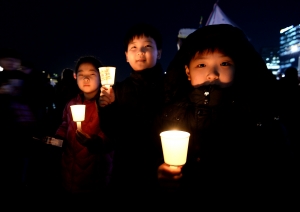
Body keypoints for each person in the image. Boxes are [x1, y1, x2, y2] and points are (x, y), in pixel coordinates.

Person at [154, 24, 295, 208]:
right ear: (187, 71)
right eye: (202, 64)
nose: (212, 74)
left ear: (237, 69)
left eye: (224, 64)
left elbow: (278, 167)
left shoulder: (256, 116)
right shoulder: (170, 114)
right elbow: (150, 154)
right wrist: (161, 174)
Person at [99, 22, 164, 204]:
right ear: (126, 56)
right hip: (126, 167)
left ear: (159, 53)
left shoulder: (169, 88)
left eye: (147, 46)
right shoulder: (118, 90)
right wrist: (108, 108)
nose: (140, 52)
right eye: (133, 47)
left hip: (161, 167)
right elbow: (112, 131)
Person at [53, 56, 113, 207]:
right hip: (69, 169)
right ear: (75, 77)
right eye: (81, 74)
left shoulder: (107, 105)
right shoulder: (72, 103)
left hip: (95, 174)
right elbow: (65, 124)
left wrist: (95, 142)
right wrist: (58, 138)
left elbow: (112, 133)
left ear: (100, 77)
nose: (86, 78)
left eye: (92, 74)